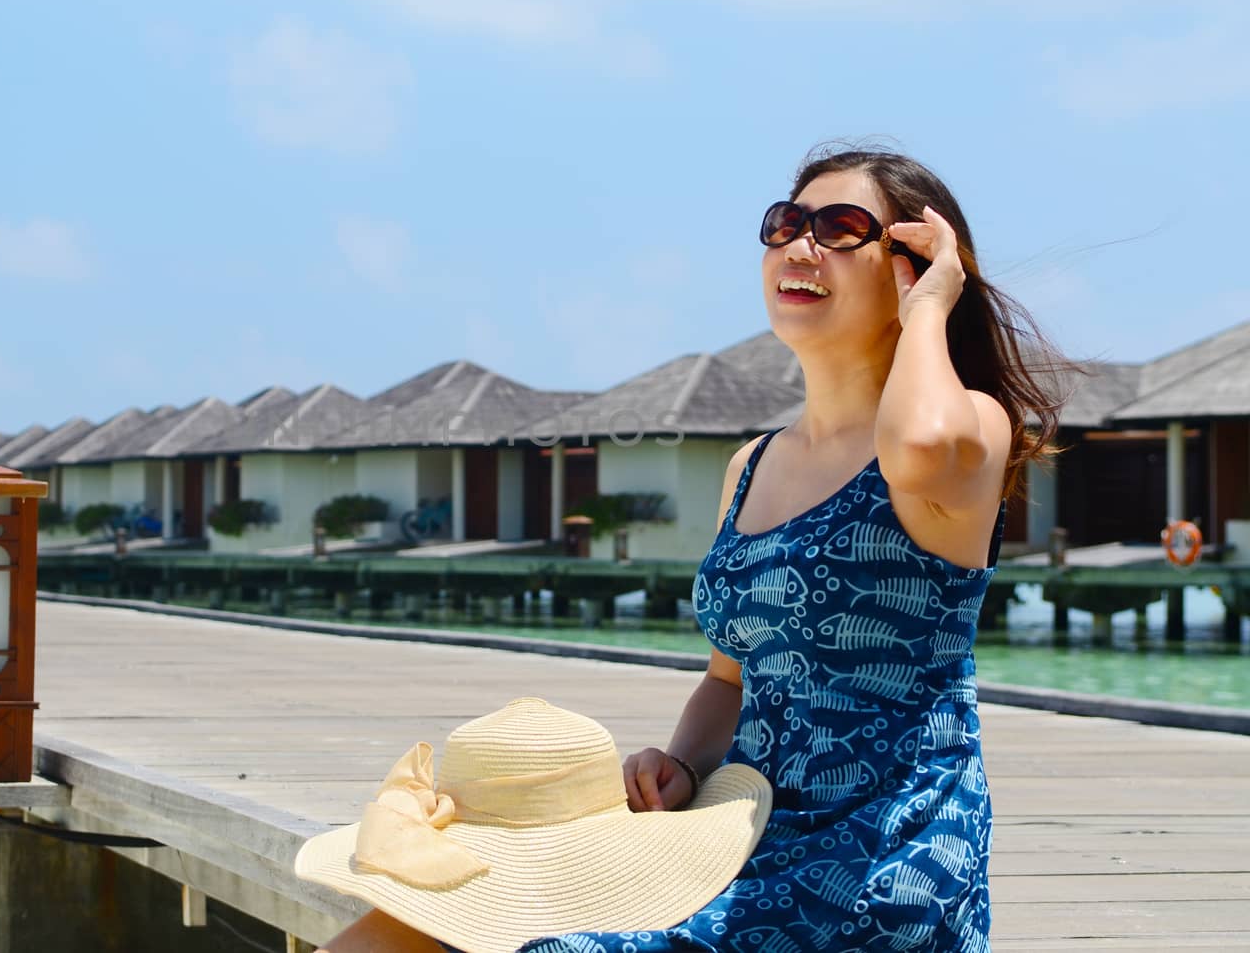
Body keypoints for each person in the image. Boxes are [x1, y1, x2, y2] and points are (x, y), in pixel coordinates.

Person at [314, 145, 1070, 952]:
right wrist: (678, 764)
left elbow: (913, 445)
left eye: (840, 228)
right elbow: (727, 678)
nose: (799, 246)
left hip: (883, 859)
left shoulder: (972, 425)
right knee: (393, 933)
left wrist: (931, 310)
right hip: (738, 833)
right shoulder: (752, 465)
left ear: (911, 261)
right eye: (786, 225)